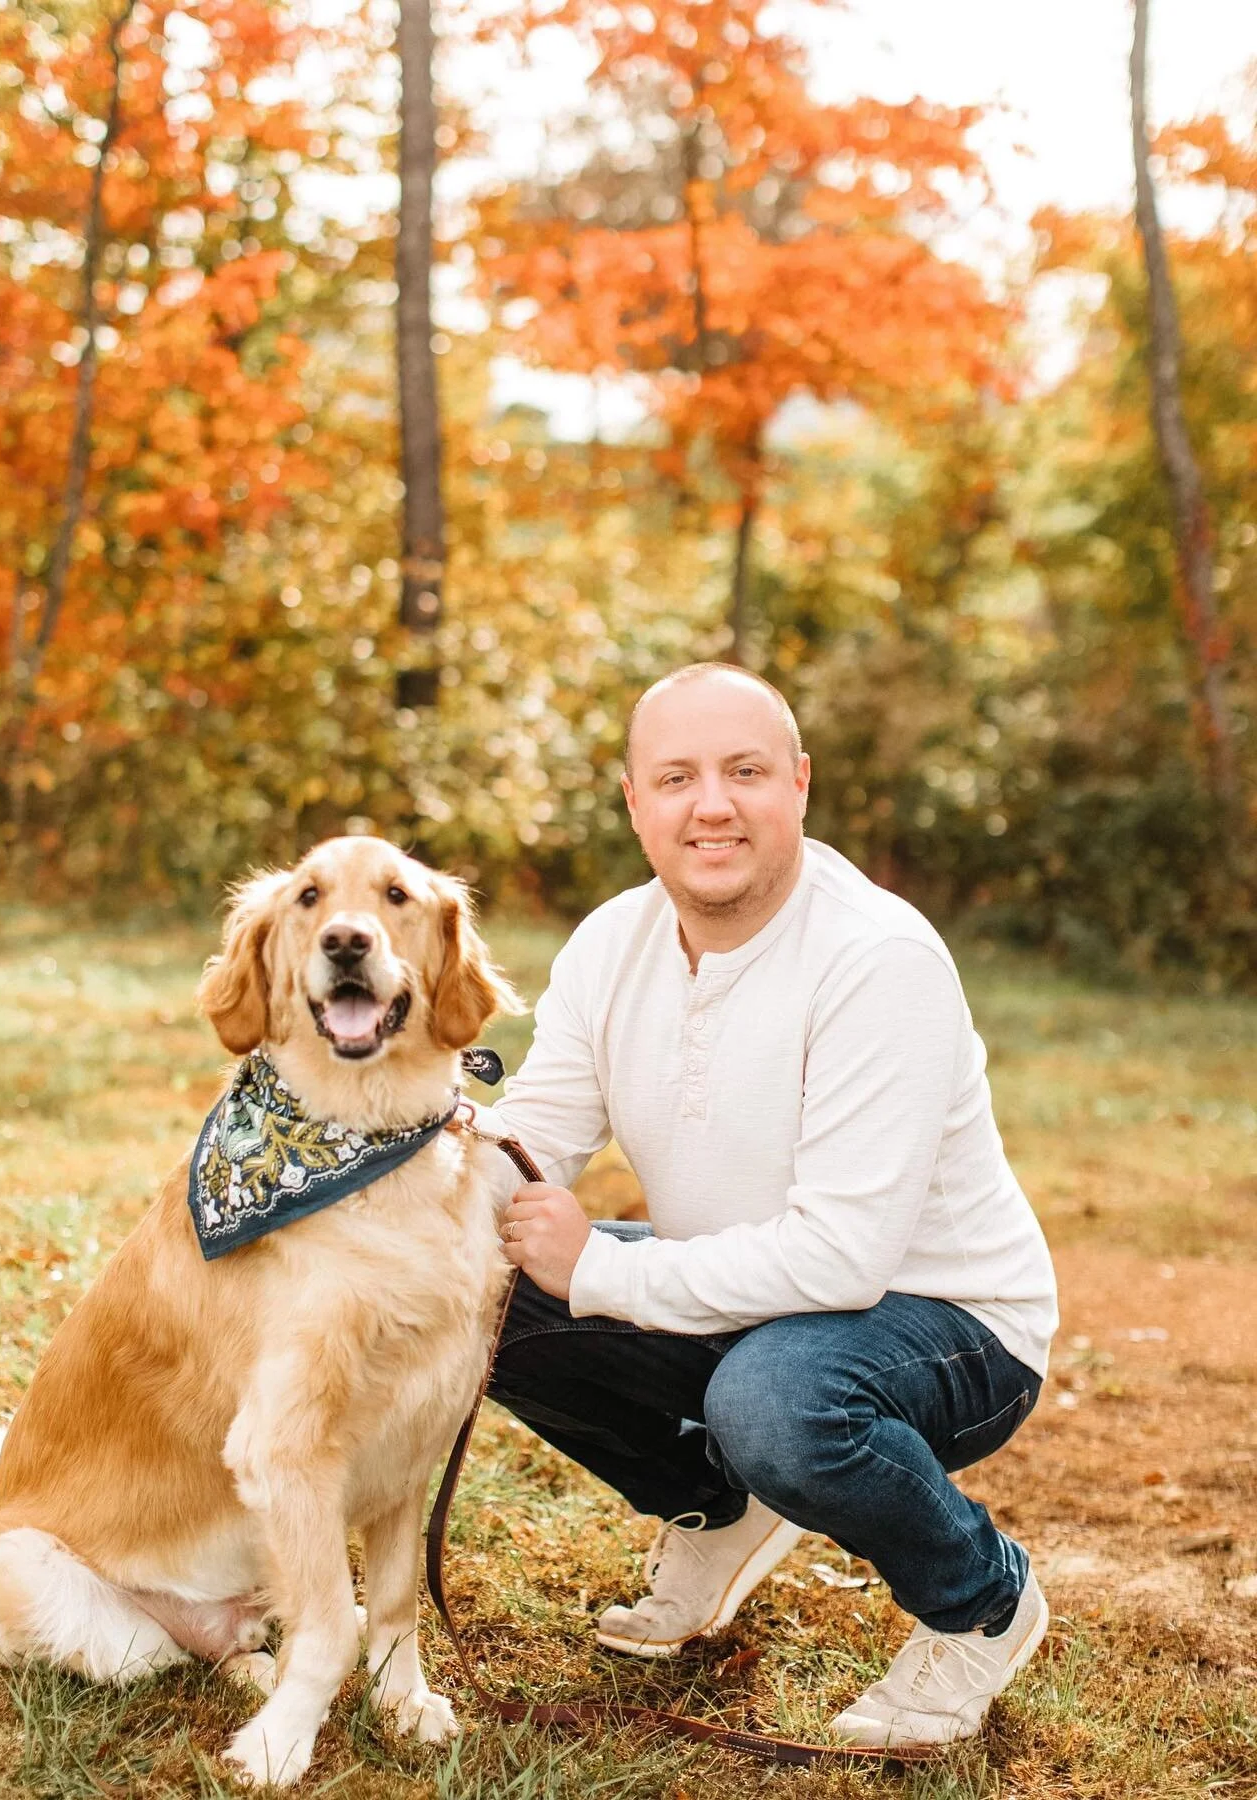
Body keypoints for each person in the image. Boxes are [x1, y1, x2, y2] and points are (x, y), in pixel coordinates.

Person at [483, 662, 1058, 1749]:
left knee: (775, 1404)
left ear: (798, 784)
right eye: (678, 777)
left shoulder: (876, 958)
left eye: (745, 771)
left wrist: (601, 1272)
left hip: (948, 1324)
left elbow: (841, 1262)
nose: (712, 805)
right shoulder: (615, 940)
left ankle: (982, 1603)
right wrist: (379, 1192)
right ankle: (719, 1511)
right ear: (634, 802)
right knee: (479, 1290)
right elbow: (531, 1137)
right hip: (750, 1294)